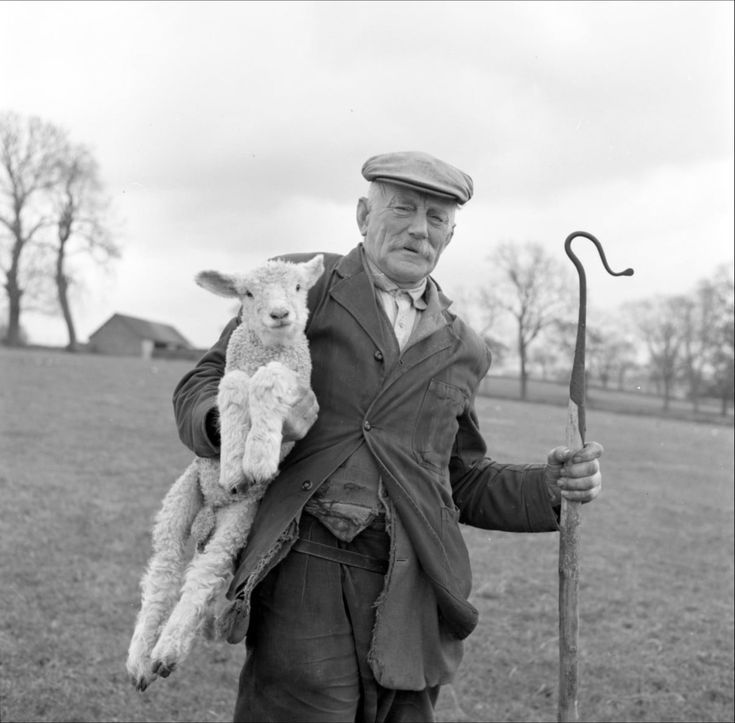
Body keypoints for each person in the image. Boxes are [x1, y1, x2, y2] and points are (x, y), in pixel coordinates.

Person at [173, 151, 603, 723]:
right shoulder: (302, 287)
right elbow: (202, 383)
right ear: (362, 215)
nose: (419, 228)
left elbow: (458, 476)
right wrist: (237, 425)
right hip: (305, 562)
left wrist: (550, 487)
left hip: (413, 579)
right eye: (402, 208)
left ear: (451, 235)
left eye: (437, 218)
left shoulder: (463, 347)